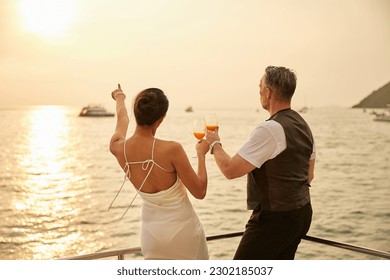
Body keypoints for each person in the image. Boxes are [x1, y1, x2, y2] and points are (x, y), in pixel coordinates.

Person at [206, 66, 315, 260]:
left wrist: (214, 143)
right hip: (301, 214)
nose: (259, 92)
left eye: (260, 87)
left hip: (275, 218)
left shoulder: (270, 129)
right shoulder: (303, 125)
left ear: (268, 92)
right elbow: (309, 175)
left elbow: (230, 170)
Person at [109, 84, 209, 260]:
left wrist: (120, 97)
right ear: (161, 119)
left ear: (136, 111)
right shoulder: (172, 150)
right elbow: (199, 191)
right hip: (183, 233)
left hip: (151, 237)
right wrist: (201, 155)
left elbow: (122, 118)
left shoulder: (118, 148)